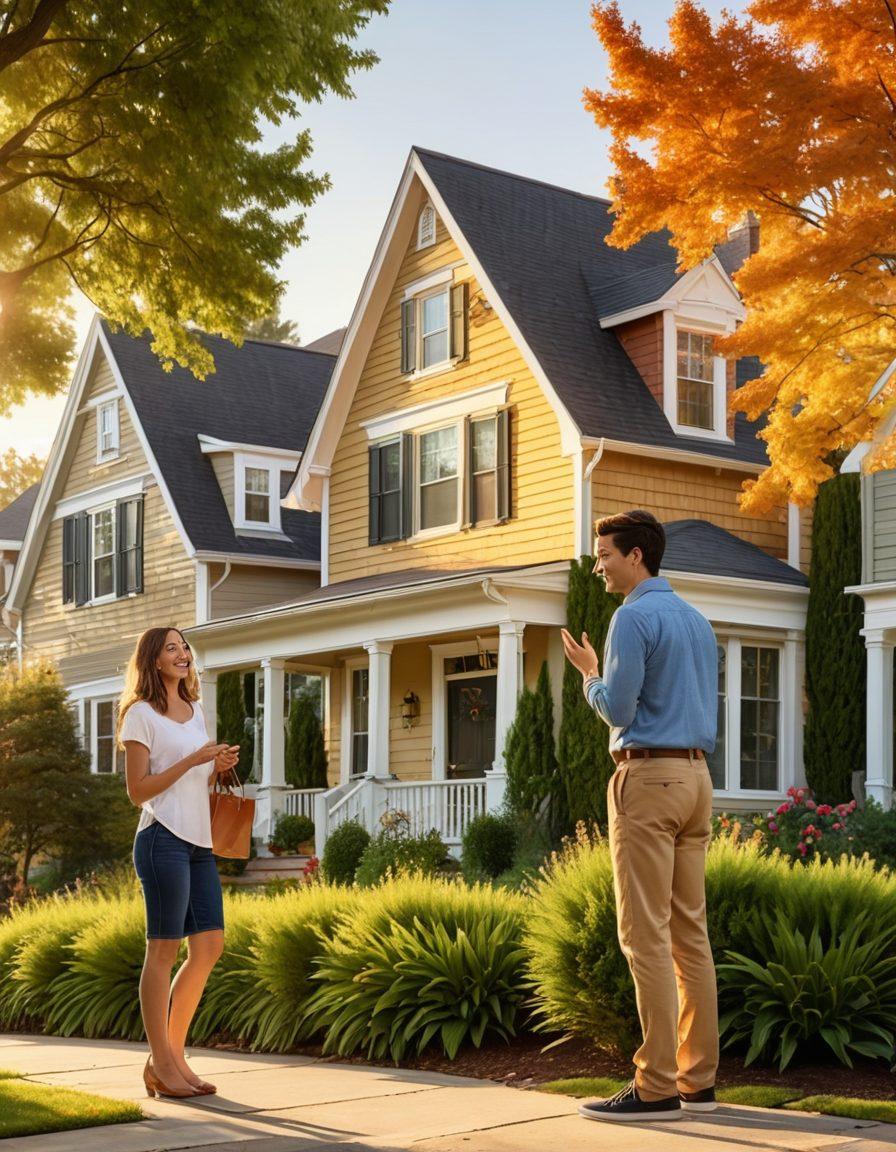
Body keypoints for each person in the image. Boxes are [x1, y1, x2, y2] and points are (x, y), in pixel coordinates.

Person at [561, 510, 719, 1123]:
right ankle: (697, 1082)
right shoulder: (697, 620)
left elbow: (619, 707)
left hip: (648, 778)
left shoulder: (632, 616)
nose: (597, 563)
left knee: (644, 935)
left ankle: (654, 1086)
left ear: (635, 557)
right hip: (697, 779)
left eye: (604, 554)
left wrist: (590, 675)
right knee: (690, 934)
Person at [117, 626, 240, 1100]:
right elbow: (138, 791)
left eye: (184, 646)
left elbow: (199, 777)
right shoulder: (140, 715)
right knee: (163, 952)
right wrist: (193, 761)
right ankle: (163, 1064)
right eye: (171, 648)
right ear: (153, 660)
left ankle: (172, 1057)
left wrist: (217, 764)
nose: (182, 653)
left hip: (198, 841)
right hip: (161, 839)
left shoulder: (196, 711)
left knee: (208, 947)